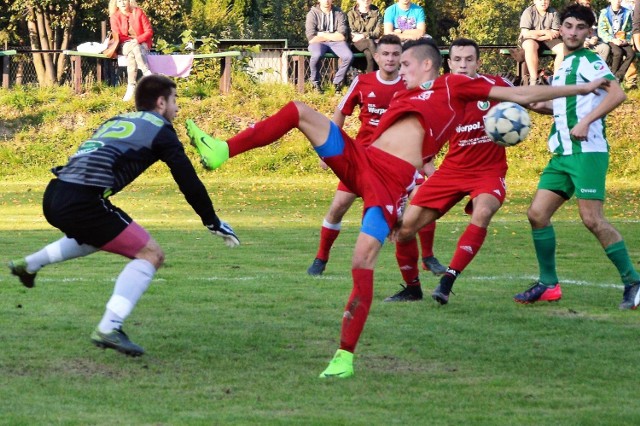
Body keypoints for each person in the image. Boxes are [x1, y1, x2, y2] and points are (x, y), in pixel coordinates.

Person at [185, 39, 609, 378]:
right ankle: (223, 150)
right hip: (359, 159)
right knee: (299, 111)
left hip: (387, 184)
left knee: (362, 258)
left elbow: (523, 92)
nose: (399, 71)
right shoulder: (408, 93)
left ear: (427, 65)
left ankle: (344, 356)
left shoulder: (452, 85)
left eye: (405, 64)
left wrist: (582, 89)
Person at [8, 75, 240, 357]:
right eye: (175, 101)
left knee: (95, 237)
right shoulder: (161, 130)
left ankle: (28, 265)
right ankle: (109, 327)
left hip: (55, 193)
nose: (177, 109)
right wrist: (211, 220)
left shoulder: (118, 120)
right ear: (161, 102)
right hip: (83, 200)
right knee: (151, 255)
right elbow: (187, 179)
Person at [512, 4, 640, 309]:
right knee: (537, 215)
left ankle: (634, 283)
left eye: (579, 28)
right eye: (568, 26)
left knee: (592, 219)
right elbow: (559, 108)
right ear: (561, 28)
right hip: (562, 153)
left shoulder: (589, 60)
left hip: (587, 153)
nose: (572, 32)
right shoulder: (564, 65)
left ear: (588, 32)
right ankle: (548, 284)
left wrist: (586, 121)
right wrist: (527, 106)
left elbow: (617, 94)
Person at [305, 34, 446, 285]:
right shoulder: (362, 82)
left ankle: (429, 257)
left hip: (399, 162)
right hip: (361, 160)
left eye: (396, 55)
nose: (391, 59)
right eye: (386, 54)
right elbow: (340, 113)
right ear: (377, 57)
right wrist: (327, 152)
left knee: (423, 200)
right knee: (337, 207)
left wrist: (426, 160)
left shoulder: (410, 85)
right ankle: (320, 258)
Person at [385, 38, 514, 305]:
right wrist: (427, 165)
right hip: (451, 171)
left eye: (469, 59)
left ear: (478, 62)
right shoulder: (439, 92)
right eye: (457, 60)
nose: (463, 64)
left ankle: (447, 281)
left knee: (482, 212)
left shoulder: (497, 86)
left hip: (488, 171)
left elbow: (532, 101)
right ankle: (412, 289)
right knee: (404, 231)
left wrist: (569, 106)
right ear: (449, 62)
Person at [109, 0, 153, 101]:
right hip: (124, 44)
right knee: (134, 47)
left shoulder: (138, 12)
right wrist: (132, 41)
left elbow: (149, 31)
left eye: (125, 0)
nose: (123, 3)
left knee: (133, 52)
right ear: (116, 3)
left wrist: (138, 40)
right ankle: (146, 72)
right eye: (119, 1)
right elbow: (118, 36)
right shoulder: (114, 17)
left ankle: (131, 87)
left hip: (142, 43)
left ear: (129, 1)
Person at [305, 0, 353, 91]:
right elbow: (311, 38)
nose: (326, 1)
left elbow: (342, 36)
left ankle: (337, 82)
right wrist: (333, 36)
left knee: (348, 56)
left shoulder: (339, 12)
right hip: (318, 43)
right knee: (316, 55)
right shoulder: (312, 14)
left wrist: (321, 34)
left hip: (336, 43)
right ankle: (315, 83)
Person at [519, 0, 565, 85]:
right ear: (534, 1)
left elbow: (555, 32)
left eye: (546, 0)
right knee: (530, 45)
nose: (543, 2)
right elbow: (526, 33)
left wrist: (540, 38)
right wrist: (545, 32)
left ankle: (557, 80)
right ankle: (534, 80)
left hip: (547, 39)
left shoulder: (554, 12)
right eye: (540, 0)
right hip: (530, 39)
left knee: (563, 48)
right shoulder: (528, 12)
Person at [598, 0, 635, 83]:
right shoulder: (604, 13)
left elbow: (629, 29)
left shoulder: (626, 12)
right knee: (618, 52)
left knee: (631, 54)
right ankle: (612, 77)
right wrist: (612, 40)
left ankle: (618, 76)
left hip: (622, 39)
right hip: (610, 39)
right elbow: (602, 31)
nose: (617, 1)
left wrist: (626, 40)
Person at [346, 0, 382, 73]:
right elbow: (352, 35)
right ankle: (385, 68)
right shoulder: (351, 14)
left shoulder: (377, 13)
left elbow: (377, 33)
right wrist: (369, 36)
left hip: (371, 46)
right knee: (369, 42)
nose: (366, 0)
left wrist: (363, 35)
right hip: (355, 46)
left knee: (368, 53)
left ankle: (370, 81)